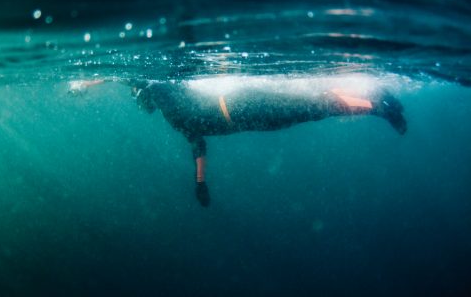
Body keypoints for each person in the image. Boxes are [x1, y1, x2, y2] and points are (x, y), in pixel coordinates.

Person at [128, 75, 407, 207]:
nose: (137, 103)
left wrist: (85, 87)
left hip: (245, 106)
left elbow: (132, 78)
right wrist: (200, 183)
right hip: (248, 118)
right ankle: (379, 105)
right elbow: (197, 144)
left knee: (315, 107)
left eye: (135, 94)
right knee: (314, 110)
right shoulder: (171, 117)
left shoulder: (160, 90)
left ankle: (381, 106)